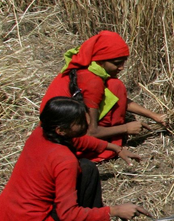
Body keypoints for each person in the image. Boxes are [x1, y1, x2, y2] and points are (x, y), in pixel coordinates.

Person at [0, 97, 150, 221]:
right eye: (81, 122)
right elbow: (68, 215)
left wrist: (115, 148)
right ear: (61, 130)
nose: (88, 123)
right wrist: (114, 211)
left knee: (85, 167)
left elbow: (79, 140)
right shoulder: (64, 160)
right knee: (87, 169)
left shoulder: (40, 133)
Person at [40, 30, 167, 162]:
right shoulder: (92, 81)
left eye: (124, 62)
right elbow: (91, 132)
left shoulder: (88, 65)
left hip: (56, 129)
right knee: (116, 86)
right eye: (117, 63)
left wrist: (154, 116)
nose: (122, 68)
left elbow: (120, 100)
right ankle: (110, 142)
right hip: (62, 138)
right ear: (101, 61)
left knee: (115, 86)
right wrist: (126, 128)